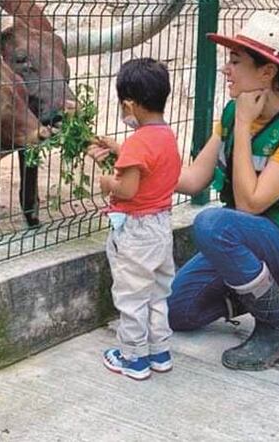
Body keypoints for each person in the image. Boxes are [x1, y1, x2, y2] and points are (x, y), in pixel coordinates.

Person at [170, 11, 279, 371]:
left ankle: (277, 327)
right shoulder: (234, 113)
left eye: (235, 61)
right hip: (252, 240)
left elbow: (250, 204)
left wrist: (246, 125)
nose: (226, 70)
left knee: (212, 224)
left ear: (268, 73)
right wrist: (133, 161)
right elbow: (192, 180)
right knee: (180, 311)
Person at [86, 58, 182, 380]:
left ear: (129, 104)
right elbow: (151, 166)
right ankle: (160, 353)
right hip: (160, 228)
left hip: (136, 231)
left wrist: (106, 183)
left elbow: (126, 190)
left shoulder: (137, 144)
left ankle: (132, 358)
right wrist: (121, 150)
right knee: (157, 293)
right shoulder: (167, 136)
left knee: (131, 297)